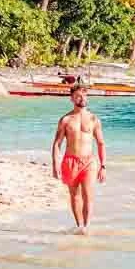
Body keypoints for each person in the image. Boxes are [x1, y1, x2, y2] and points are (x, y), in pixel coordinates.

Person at [50, 84, 105, 232]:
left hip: (89, 162)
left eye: (84, 96)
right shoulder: (66, 120)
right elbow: (57, 144)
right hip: (70, 161)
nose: (82, 99)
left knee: (88, 195)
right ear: (72, 99)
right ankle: (80, 226)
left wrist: (103, 166)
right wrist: (55, 165)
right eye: (78, 96)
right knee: (75, 196)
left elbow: (101, 143)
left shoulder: (94, 119)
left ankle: (86, 227)